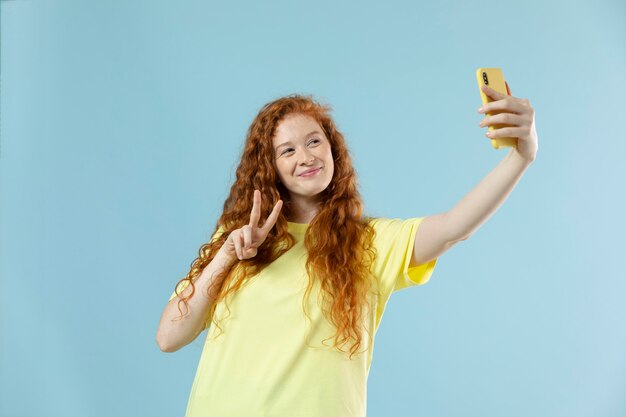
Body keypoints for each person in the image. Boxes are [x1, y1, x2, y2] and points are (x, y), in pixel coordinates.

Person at [156, 94, 440, 417]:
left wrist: (513, 159)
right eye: (287, 150)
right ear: (271, 167)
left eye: (314, 142)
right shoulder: (238, 237)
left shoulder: (368, 242)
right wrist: (227, 254)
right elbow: (168, 337)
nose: (305, 157)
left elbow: (453, 227)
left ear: (332, 149)